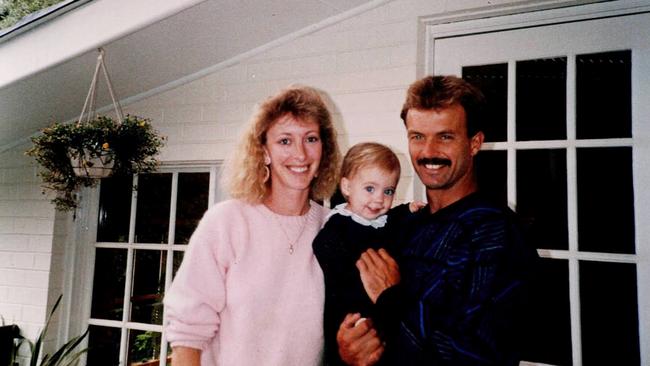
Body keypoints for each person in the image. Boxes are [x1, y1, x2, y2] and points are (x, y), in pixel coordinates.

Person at [337, 75, 538, 365]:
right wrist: (352, 348)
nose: (429, 152)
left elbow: (477, 357)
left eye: (445, 136)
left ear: (474, 143)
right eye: (417, 136)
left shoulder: (497, 236)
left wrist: (392, 299)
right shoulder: (404, 225)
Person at [163, 85, 341, 366]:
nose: (300, 154)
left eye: (311, 139)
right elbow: (187, 333)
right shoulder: (227, 222)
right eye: (285, 141)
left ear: (324, 151)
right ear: (264, 151)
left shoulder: (335, 229)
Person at [312, 142, 424, 365]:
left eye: (388, 191)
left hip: (382, 315)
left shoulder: (384, 221)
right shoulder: (337, 227)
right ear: (346, 187)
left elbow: (395, 218)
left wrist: (410, 210)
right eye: (370, 189)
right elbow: (325, 251)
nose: (379, 199)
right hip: (349, 317)